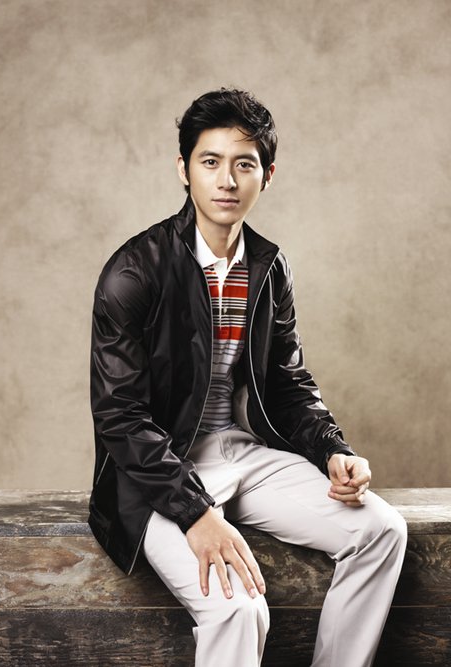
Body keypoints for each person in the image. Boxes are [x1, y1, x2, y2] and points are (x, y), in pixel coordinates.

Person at [88, 88, 407, 667]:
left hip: (243, 454)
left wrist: (333, 450)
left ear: (268, 175)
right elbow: (120, 417)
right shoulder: (134, 271)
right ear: (183, 169)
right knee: (238, 611)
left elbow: (286, 383)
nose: (227, 180)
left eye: (245, 164)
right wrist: (195, 511)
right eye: (210, 162)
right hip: (156, 471)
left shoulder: (268, 266)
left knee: (382, 530)